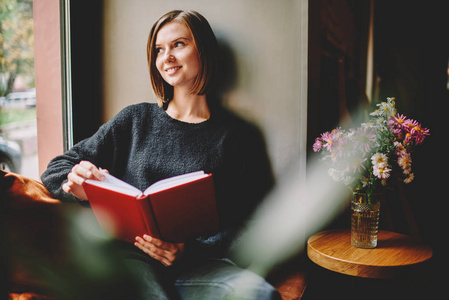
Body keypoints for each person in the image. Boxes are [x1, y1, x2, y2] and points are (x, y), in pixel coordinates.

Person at [41, 10, 280, 300]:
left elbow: (256, 224)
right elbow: (55, 169)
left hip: (200, 265)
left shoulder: (237, 136)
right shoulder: (135, 120)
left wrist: (189, 249)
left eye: (178, 44)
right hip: (133, 259)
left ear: (203, 49)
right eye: (158, 49)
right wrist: (79, 186)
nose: (166, 57)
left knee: (260, 295)